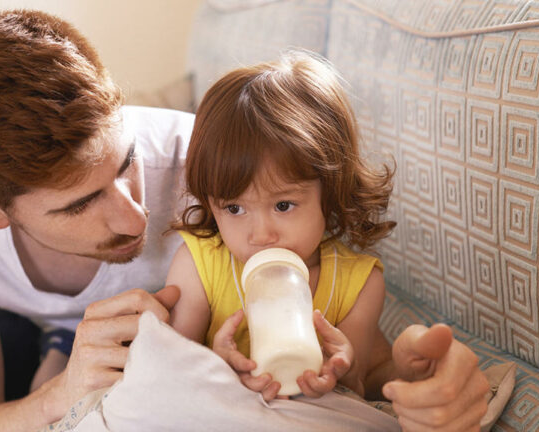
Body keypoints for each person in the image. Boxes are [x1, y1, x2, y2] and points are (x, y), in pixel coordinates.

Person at [0, 9, 489, 432]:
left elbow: (342, 328)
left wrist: (412, 378)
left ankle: (49, 334)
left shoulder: (221, 173)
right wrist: (62, 390)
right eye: (79, 203)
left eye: (124, 163)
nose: (135, 215)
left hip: (47, 337)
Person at [167, 52, 394, 402]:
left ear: (330, 191)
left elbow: (356, 391)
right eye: (235, 207)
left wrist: (342, 371)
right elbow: (170, 371)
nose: (260, 235)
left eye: (283, 205)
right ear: (211, 202)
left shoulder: (360, 284)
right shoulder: (199, 266)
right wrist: (217, 365)